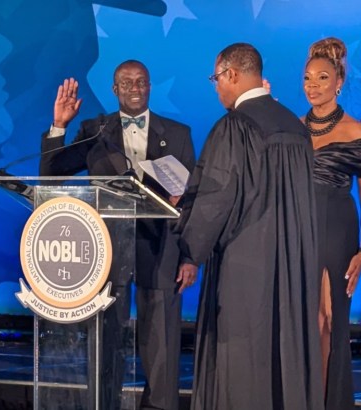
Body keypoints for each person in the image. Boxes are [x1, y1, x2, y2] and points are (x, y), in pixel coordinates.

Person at [40, 60, 196, 410]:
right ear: (115, 90)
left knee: (162, 350)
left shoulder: (179, 133)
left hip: (162, 252)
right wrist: (59, 125)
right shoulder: (96, 130)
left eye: (141, 81)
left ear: (150, 85)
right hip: (109, 253)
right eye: (127, 83)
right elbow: (51, 173)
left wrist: (189, 256)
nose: (135, 88)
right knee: (108, 345)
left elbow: (190, 201)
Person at [176, 43, 324, 410]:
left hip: (246, 262)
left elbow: (216, 198)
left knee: (242, 356)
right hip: (292, 265)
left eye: (216, 79)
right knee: (282, 350)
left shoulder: (234, 127)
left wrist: (189, 250)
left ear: (231, 74)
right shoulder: (295, 126)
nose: (216, 88)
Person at [302, 37, 361, 409]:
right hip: (299, 227)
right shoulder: (293, 129)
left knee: (330, 317)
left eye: (322, 78)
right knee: (307, 319)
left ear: (339, 83)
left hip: (337, 226)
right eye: (307, 78)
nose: (313, 85)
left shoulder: (357, 132)